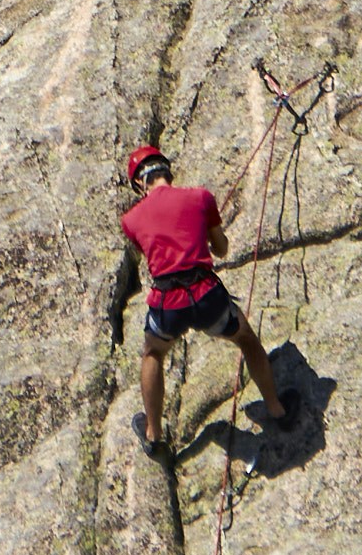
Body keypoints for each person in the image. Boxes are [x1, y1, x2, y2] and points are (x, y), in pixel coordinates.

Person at [119, 138, 301, 457]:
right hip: (207, 296)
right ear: (168, 171)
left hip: (168, 304)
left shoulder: (130, 221)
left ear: (139, 184)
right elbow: (222, 248)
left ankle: (154, 434)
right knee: (246, 339)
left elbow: (152, 251)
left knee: (153, 353)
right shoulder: (200, 197)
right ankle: (277, 409)